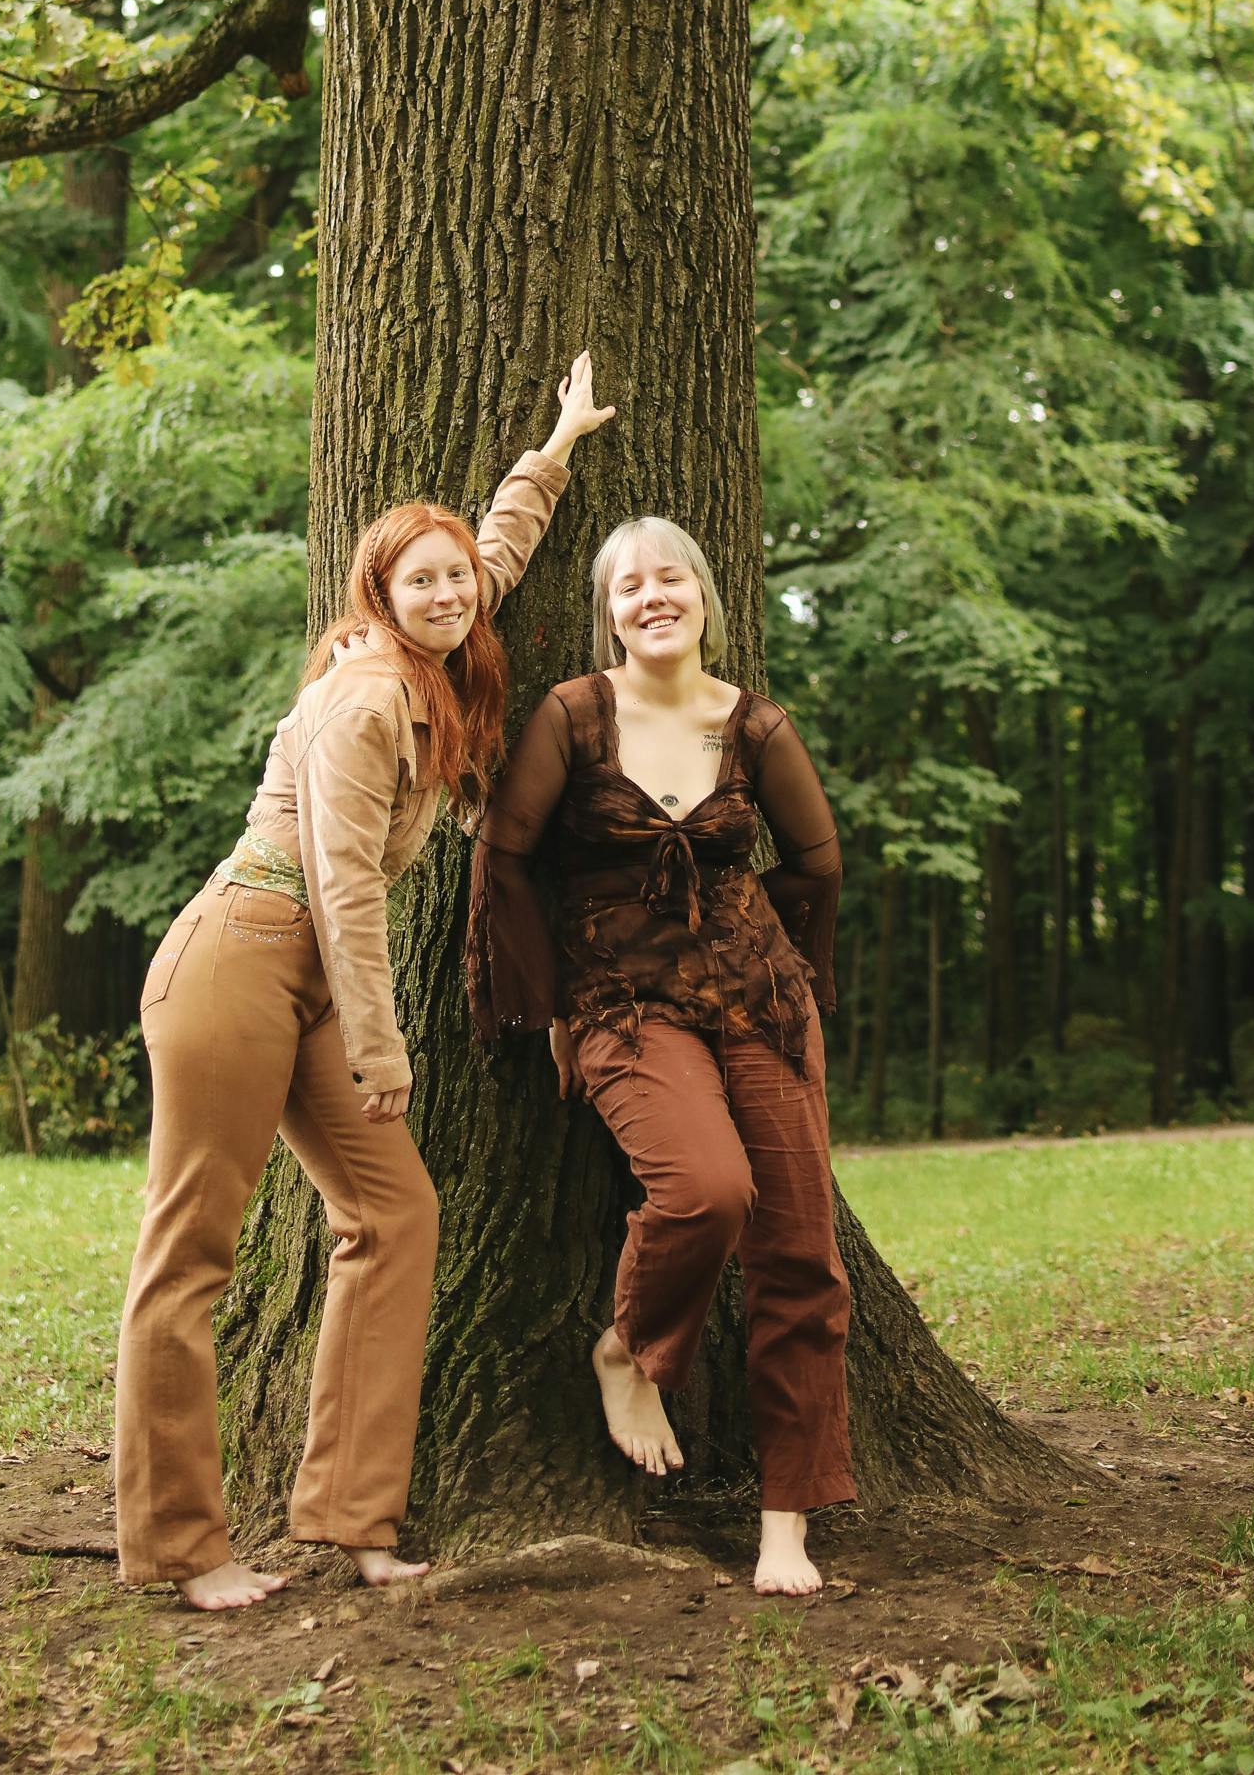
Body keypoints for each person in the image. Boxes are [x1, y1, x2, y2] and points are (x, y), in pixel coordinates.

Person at [115, 356, 616, 1611]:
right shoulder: (363, 698)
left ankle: (349, 1515)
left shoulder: (438, 641)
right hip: (241, 960)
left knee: (395, 1218)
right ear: (377, 595)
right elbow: (343, 892)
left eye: (454, 577)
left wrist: (550, 452)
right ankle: (182, 1549)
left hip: (305, 980)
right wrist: (383, 1052)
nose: (450, 591)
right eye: (422, 579)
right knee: (189, 1256)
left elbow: (490, 555)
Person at [466, 515, 850, 1597]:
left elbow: (817, 864)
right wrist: (541, 1007)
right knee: (704, 1188)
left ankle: (787, 1523)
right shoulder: (573, 716)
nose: (650, 595)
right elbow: (502, 858)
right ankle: (628, 1349)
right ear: (609, 612)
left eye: (669, 575)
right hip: (623, 1006)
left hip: (759, 1004)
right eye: (627, 585)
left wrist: (757, 942)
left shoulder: (753, 726)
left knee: (800, 1259)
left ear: (702, 596)